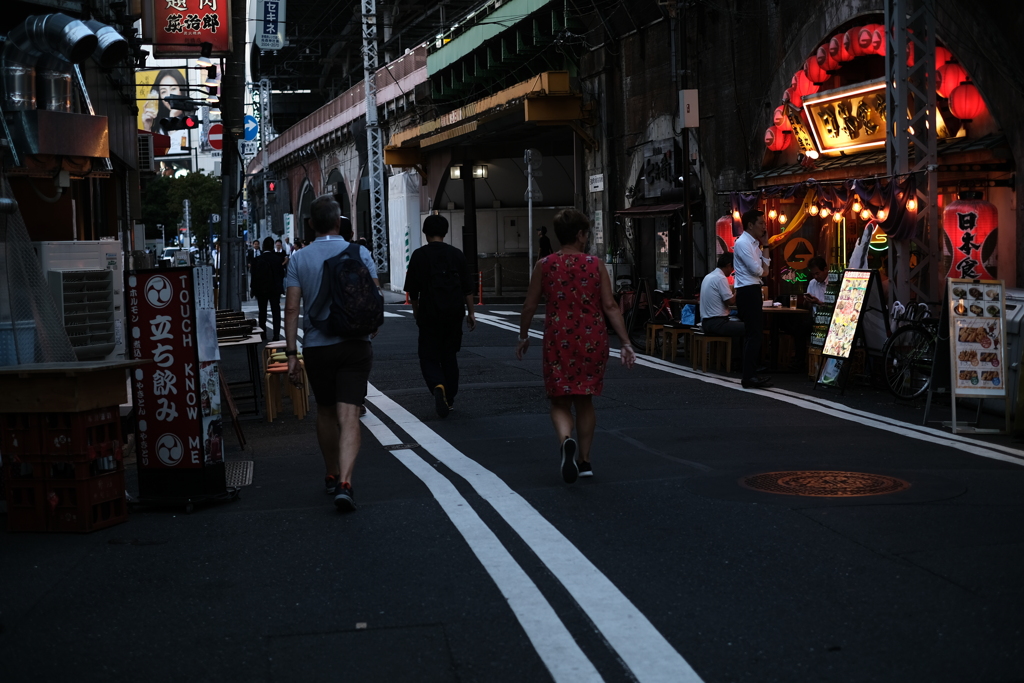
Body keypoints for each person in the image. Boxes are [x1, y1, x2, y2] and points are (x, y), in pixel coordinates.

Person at [516, 209, 636, 483]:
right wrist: (626, 342)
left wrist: (523, 336)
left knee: (559, 401)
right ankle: (584, 461)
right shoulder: (595, 265)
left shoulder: (544, 265)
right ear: (581, 235)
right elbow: (610, 306)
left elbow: (529, 305)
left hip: (559, 338)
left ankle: (565, 439)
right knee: (585, 399)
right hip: (592, 337)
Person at [284, 195, 379, 511]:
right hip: (355, 344)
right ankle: (346, 482)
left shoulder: (299, 258)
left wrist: (291, 354)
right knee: (349, 412)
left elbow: (292, 307)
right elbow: (373, 295)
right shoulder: (359, 252)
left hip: (317, 347)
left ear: (310, 224)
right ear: (339, 222)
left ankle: (330, 472)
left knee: (325, 411)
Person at [404, 214, 476, 418]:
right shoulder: (456, 254)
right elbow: (467, 289)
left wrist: (416, 311)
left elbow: (413, 290)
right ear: (445, 232)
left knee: (428, 355)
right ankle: (449, 398)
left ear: (425, 233)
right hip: (453, 313)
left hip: (429, 312)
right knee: (449, 355)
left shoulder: (419, 255)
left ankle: (437, 384)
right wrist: (471, 313)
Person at [734, 209, 772, 389]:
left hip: (753, 289)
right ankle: (748, 376)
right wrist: (763, 268)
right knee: (753, 333)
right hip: (747, 290)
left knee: (756, 332)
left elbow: (765, 270)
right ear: (750, 225)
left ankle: (752, 371)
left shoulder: (755, 244)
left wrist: (766, 247)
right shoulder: (743, 243)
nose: (765, 226)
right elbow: (759, 271)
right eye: (761, 223)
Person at [699, 252, 745, 365]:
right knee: (750, 328)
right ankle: (742, 362)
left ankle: (734, 360)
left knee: (738, 325)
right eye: (733, 267)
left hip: (706, 321)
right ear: (729, 265)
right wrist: (739, 288)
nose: (733, 271)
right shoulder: (720, 278)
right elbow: (731, 301)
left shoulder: (708, 276)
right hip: (716, 322)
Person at [251, 236, 285, 341]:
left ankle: (263, 333)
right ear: (272, 246)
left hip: (261, 289)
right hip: (275, 289)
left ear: (263, 246)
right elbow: (281, 274)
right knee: (276, 311)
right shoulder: (278, 259)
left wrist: (253, 289)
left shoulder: (257, 259)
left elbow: (254, 276)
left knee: (262, 311)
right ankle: (276, 335)